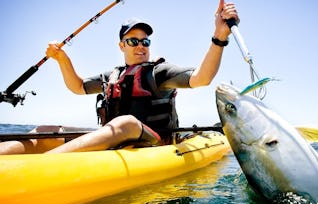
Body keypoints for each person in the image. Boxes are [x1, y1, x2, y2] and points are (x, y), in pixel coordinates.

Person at [0, 0, 239, 155]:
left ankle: (46, 165)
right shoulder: (112, 75)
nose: (140, 46)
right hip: (115, 139)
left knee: (126, 123)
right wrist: (62, 59)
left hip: (155, 143)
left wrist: (219, 37)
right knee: (46, 130)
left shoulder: (159, 72)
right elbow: (78, 87)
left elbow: (201, 78)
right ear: (121, 45)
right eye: (133, 41)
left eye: (145, 41)